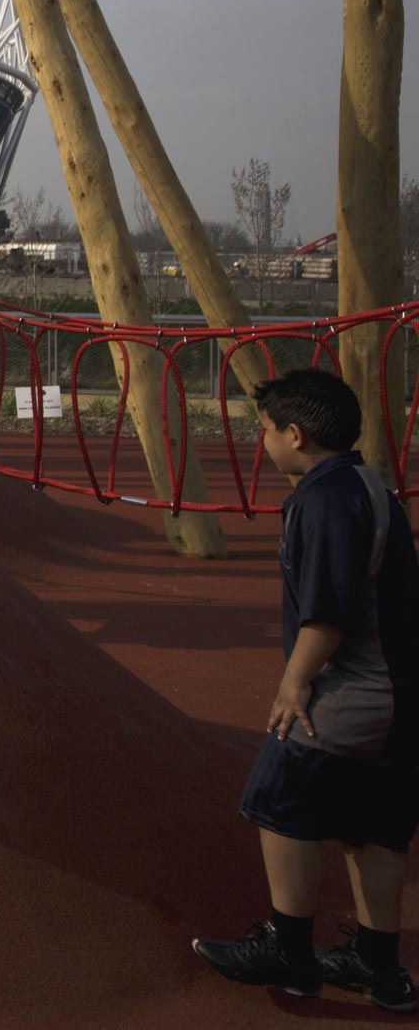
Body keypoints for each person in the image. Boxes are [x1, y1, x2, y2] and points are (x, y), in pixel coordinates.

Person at [193, 368, 419, 1012]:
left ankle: (288, 949)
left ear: (296, 434)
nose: (261, 442)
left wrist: (293, 686)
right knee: (372, 828)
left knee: (277, 799)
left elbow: (329, 610)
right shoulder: (366, 484)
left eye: (265, 431)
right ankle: (379, 967)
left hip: (356, 685)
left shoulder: (323, 500)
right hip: (401, 689)